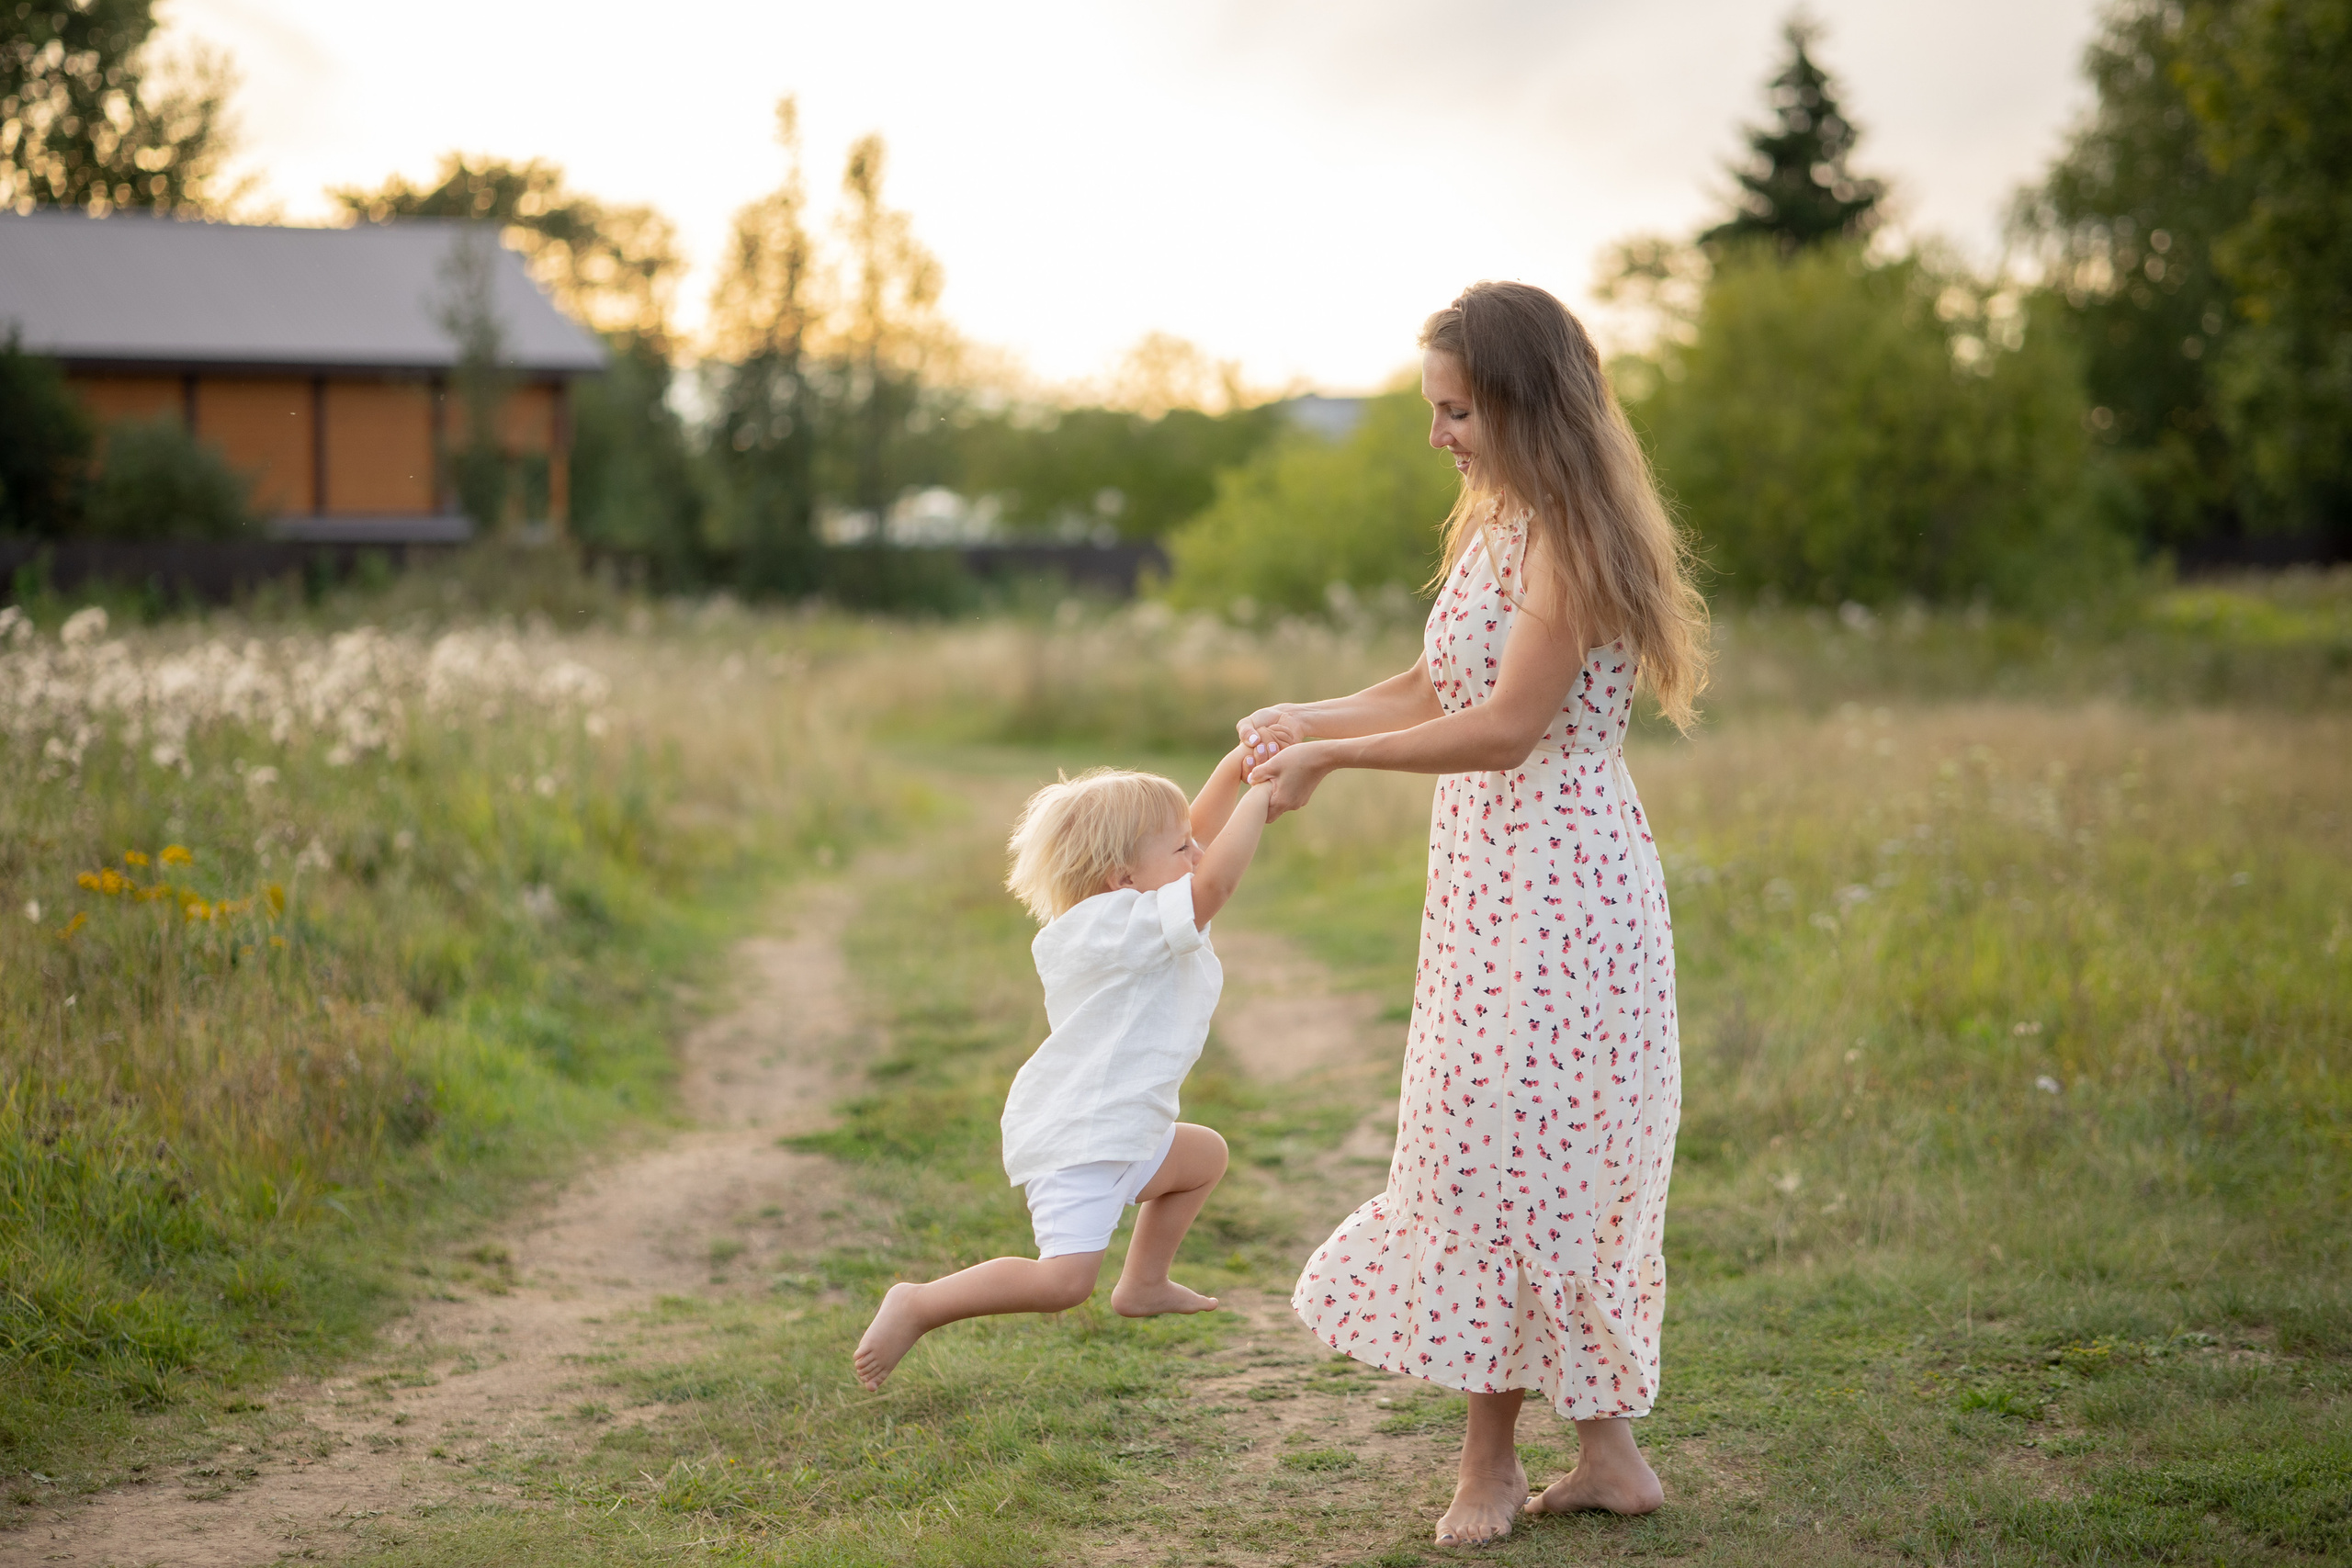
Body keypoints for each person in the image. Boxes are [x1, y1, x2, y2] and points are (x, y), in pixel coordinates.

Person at [1239, 280, 1708, 1547]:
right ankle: (1609, 1454)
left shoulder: (1572, 534)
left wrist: (1337, 767)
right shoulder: (1501, 527)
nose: (1440, 434)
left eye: (1456, 410)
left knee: (1507, 1154)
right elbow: (1433, 679)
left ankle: (1488, 1463)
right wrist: (1310, 718)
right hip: (1498, 891)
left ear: (1517, 401)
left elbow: (1507, 728)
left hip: (1562, 885)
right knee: (1510, 1148)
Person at [853, 759, 1276, 1393]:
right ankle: (919, 1301)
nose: (1198, 852)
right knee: (1062, 1284)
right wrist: (1265, 797)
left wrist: (1233, 771)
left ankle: (1144, 1282)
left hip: (1127, 1128)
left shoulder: (1136, 903)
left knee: (1203, 1155)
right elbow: (1214, 884)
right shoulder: (1113, 927)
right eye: (1182, 847)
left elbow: (1195, 842)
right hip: (1083, 1132)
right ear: (1122, 876)